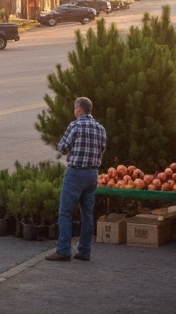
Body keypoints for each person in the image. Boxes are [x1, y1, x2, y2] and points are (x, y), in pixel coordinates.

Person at [47, 96, 108, 261]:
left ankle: (64, 250)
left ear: (78, 110)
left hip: (75, 173)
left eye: (75, 108)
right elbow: (102, 150)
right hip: (91, 174)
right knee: (87, 213)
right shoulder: (100, 128)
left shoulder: (75, 125)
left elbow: (63, 147)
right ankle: (84, 251)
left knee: (65, 212)